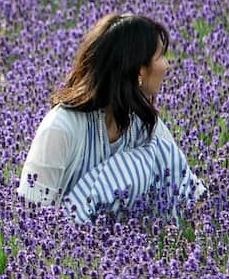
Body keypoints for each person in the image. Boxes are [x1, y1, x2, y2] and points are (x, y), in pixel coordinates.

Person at [15, 12, 207, 223]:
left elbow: (185, 183)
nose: (167, 66)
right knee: (159, 152)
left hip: (128, 245)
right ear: (139, 72)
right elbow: (30, 217)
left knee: (162, 152)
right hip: (67, 244)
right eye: (160, 56)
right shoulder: (61, 127)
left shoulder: (143, 122)